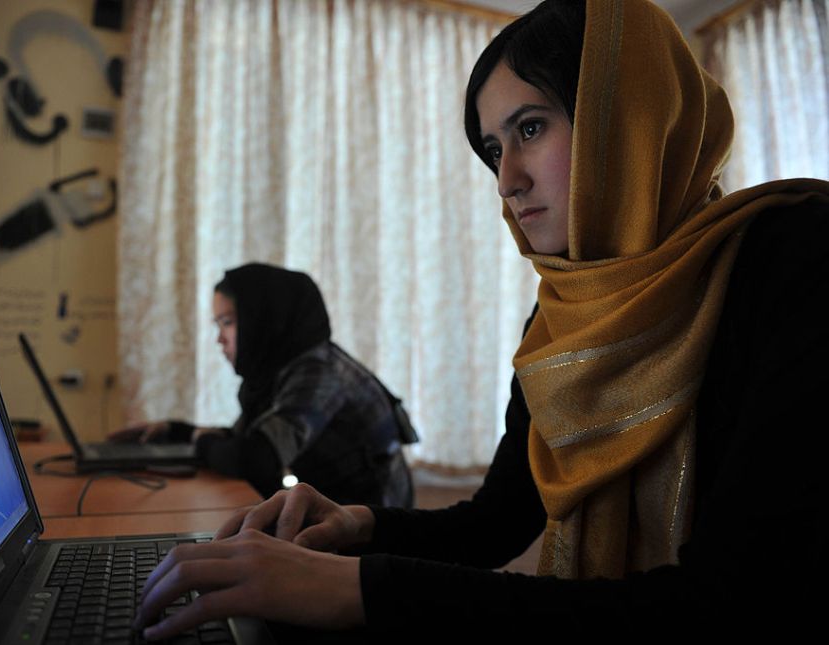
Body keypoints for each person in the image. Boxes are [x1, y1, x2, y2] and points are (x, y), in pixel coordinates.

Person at [132, 0, 829, 640]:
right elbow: (499, 520)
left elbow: (729, 604)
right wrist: (358, 526)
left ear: (629, 114)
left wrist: (363, 587)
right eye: (495, 149)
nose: (508, 179)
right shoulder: (561, 313)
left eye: (531, 127)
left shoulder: (794, 258)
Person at [112, 262, 415, 508]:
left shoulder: (318, 373)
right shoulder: (281, 367)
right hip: (332, 518)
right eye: (217, 324)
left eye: (228, 322)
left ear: (264, 320)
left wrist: (200, 443)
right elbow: (248, 441)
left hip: (368, 538)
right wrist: (176, 431)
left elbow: (257, 458)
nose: (220, 339)